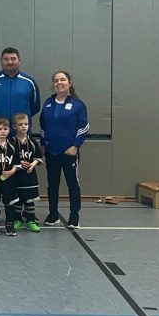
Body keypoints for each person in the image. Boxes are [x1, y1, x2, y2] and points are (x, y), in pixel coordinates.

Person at [40, 70, 89, 230]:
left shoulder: (78, 105)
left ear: (69, 83)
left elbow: (84, 127)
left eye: (62, 79)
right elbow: (43, 126)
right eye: (56, 80)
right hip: (51, 152)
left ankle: (74, 216)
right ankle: (53, 214)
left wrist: (75, 146)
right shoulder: (48, 103)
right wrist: (43, 145)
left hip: (69, 152)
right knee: (52, 185)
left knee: (73, 184)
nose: (59, 83)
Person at [0, 47, 41, 129]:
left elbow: (35, 107)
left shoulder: (29, 82)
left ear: (19, 61)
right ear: (1, 62)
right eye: (6, 59)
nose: (10, 62)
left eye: (13, 59)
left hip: (21, 133)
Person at [12, 113, 43, 232]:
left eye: (26, 124)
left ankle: (31, 220)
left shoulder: (33, 142)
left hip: (30, 177)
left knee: (30, 200)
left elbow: (38, 157)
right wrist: (19, 164)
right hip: (16, 177)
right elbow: (8, 158)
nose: (24, 126)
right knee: (18, 200)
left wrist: (32, 165)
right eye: (20, 124)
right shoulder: (11, 142)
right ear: (14, 127)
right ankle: (17, 220)